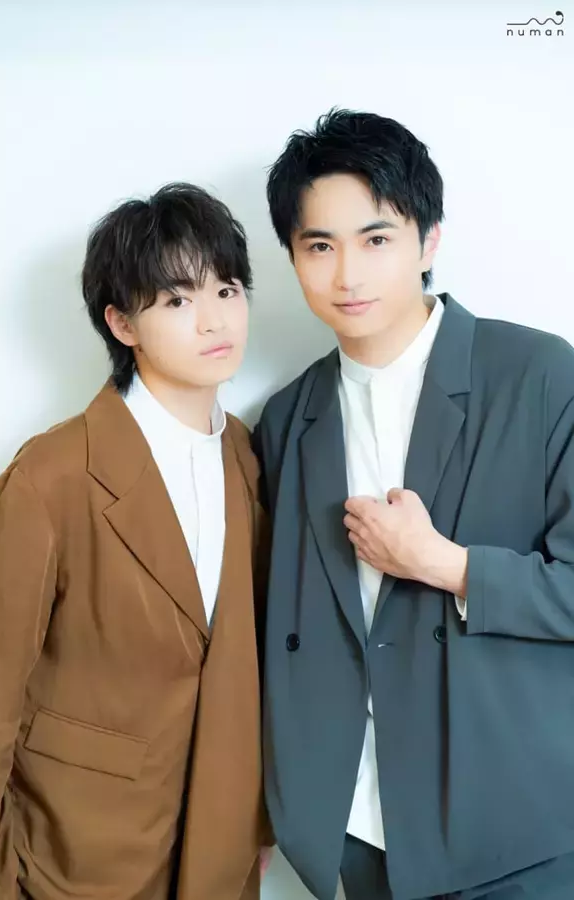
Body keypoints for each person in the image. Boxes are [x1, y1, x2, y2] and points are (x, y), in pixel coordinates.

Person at [253, 108, 574, 900]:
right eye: (319, 247)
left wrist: (449, 566)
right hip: (355, 832)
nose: (348, 275)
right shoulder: (286, 421)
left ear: (428, 241)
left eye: (376, 239)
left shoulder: (538, 376)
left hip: (515, 833)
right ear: (292, 257)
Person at [0, 182, 269, 900]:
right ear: (122, 322)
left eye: (227, 290)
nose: (213, 319)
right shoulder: (53, 474)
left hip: (213, 855)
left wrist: (251, 828)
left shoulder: (247, 457)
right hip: (71, 859)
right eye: (176, 300)